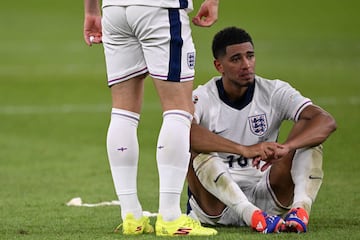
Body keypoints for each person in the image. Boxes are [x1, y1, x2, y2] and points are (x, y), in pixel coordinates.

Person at [83, 0, 220, 237]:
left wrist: (91, 10)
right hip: (159, 7)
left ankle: (131, 216)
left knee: (123, 111)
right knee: (179, 109)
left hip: (114, 9)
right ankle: (169, 217)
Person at [186, 26, 337, 234]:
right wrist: (245, 149)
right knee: (193, 149)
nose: (246, 65)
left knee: (309, 134)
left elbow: (326, 121)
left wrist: (287, 147)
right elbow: (184, 133)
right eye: (236, 59)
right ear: (219, 65)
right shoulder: (202, 97)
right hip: (217, 205)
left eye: (250, 56)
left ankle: (300, 210)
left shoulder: (274, 91)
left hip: (267, 196)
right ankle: (250, 214)